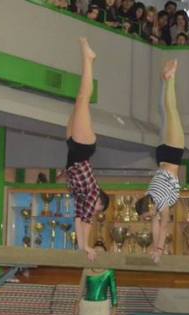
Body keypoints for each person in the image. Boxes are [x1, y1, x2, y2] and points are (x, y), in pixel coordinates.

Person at [65, 38, 110, 261]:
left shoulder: (83, 198)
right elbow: (87, 222)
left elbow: (78, 219)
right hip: (82, 149)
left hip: (73, 150)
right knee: (83, 98)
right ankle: (88, 59)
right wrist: (87, 247)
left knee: (78, 101)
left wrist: (81, 246)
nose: (96, 211)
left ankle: (87, 58)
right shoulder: (92, 195)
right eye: (100, 208)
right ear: (100, 201)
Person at [135, 60, 184, 264]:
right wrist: (155, 248)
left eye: (147, 215)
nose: (149, 219)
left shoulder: (161, 204)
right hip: (162, 156)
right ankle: (166, 81)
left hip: (172, 155)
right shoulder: (149, 195)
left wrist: (160, 249)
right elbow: (157, 224)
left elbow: (163, 226)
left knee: (171, 111)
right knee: (164, 113)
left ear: (151, 207)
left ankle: (170, 79)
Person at [75, 244, 118, 315]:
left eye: (101, 253)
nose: (98, 255)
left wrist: (114, 310)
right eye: (96, 252)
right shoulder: (87, 269)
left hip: (102, 306)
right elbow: (81, 288)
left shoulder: (109, 271)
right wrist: (76, 305)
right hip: (87, 306)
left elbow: (113, 292)